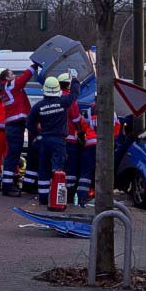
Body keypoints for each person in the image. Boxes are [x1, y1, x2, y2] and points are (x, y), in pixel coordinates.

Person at [26, 71, 80, 206]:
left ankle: (43, 199)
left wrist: (37, 134)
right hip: (59, 141)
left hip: (45, 140)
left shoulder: (38, 106)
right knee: (58, 169)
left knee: (43, 169)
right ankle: (57, 200)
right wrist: (74, 79)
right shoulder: (63, 102)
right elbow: (74, 94)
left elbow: (29, 123)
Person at [0, 63, 39, 196]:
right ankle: (7, 187)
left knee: (13, 155)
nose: (14, 76)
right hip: (15, 124)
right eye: (11, 74)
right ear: (6, 77)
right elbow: (24, 78)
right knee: (13, 156)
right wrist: (34, 66)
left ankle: (9, 184)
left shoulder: (4, 88)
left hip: (14, 124)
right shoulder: (10, 86)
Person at [59, 72, 85, 201]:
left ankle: (57, 193)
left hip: (58, 139)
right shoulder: (70, 100)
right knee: (71, 169)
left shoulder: (54, 98)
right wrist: (81, 132)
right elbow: (76, 119)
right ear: (69, 85)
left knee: (58, 167)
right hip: (70, 139)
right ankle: (68, 196)